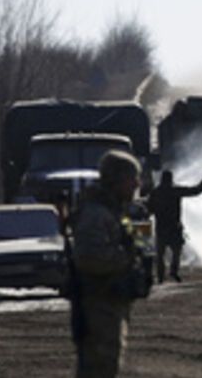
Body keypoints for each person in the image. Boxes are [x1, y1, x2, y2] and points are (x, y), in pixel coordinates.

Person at [72, 150, 144, 378]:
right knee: (97, 368)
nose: (136, 185)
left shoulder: (114, 211)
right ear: (118, 180)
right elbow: (89, 257)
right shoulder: (96, 213)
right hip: (98, 305)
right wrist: (127, 258)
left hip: (109, 304)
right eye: (132, 179)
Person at [146, 170, 202, 283]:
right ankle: (173, 272)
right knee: (176, 252)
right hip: (174, 228)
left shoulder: (156, 192)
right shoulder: (174, 190)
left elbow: (149, 209)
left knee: (161, 254)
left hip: (161, 228)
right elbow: (196, 190)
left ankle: (161, 276)